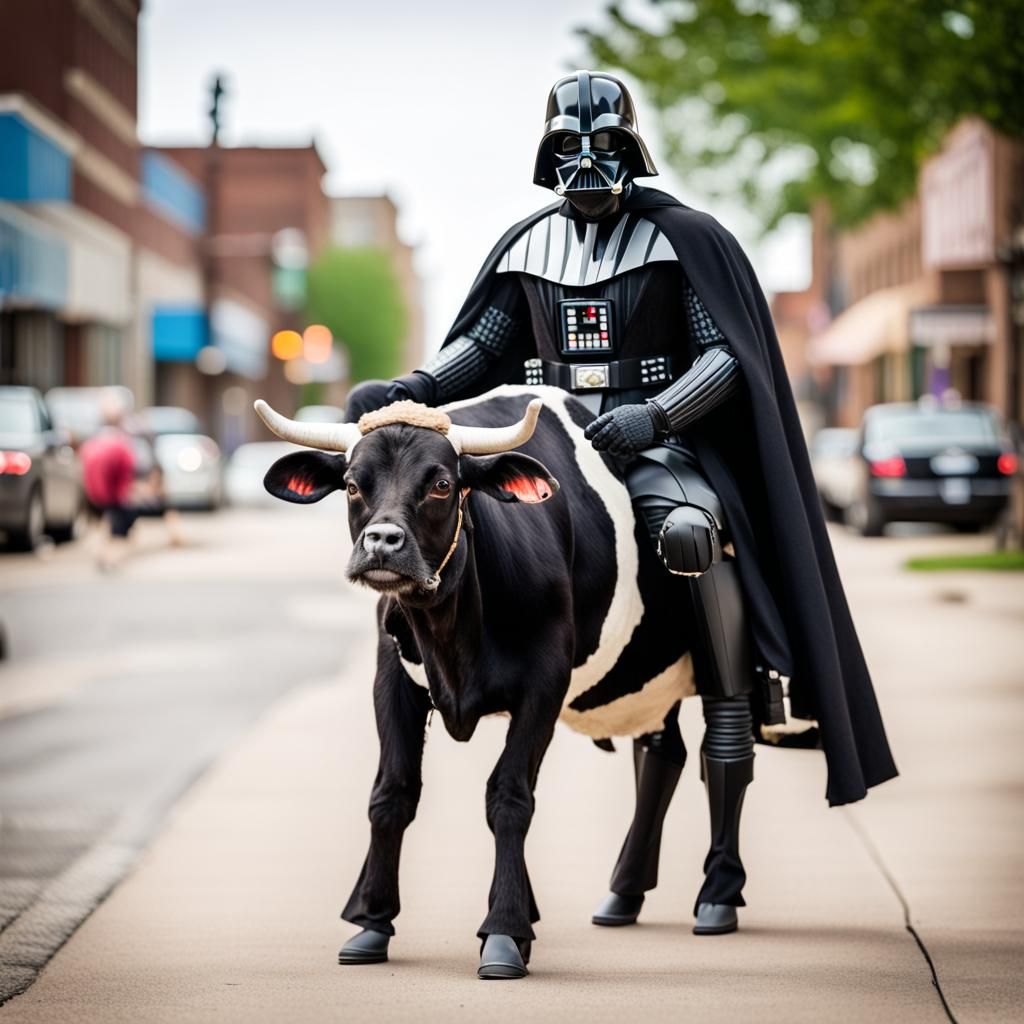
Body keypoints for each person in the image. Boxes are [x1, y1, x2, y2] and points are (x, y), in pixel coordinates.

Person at [348, 70, 897, 935]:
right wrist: (414, 387)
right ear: (547, 156)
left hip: (651, 448)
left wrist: (658, 414)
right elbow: (482, 347)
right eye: (569, 148)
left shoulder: (681, 240)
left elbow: (725, 356)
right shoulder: (528, 245)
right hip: (552, 446)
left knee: (689, 532)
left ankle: (735, 700)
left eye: (602, 146)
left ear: (631, 149)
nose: (586, 163)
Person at [80, 400, 137, 571]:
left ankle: (101, 554)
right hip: (112, 495)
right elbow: (126, 472)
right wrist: (123, 497)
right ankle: (111, 558)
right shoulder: (122, 445)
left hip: (93, 493)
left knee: (101, 526)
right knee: (117, 531)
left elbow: (84, 468)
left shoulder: (91, 443)